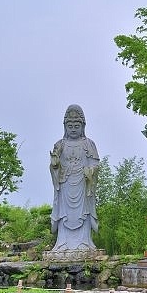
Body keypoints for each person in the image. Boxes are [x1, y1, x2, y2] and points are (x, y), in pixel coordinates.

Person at [49, 104, 100, 252]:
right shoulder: (60, 144)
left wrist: (90, 171)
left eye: (76, 125)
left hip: (83, 184)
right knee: (64, 213)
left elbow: (95, 163)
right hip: (64, 184)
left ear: (83, 126)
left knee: (83, 213)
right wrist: (55, 165)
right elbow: (54, 165)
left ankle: (84, 242)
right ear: (65, 126)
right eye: (69, 125)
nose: (73, 128)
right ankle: (62, 243)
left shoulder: (89, 144)